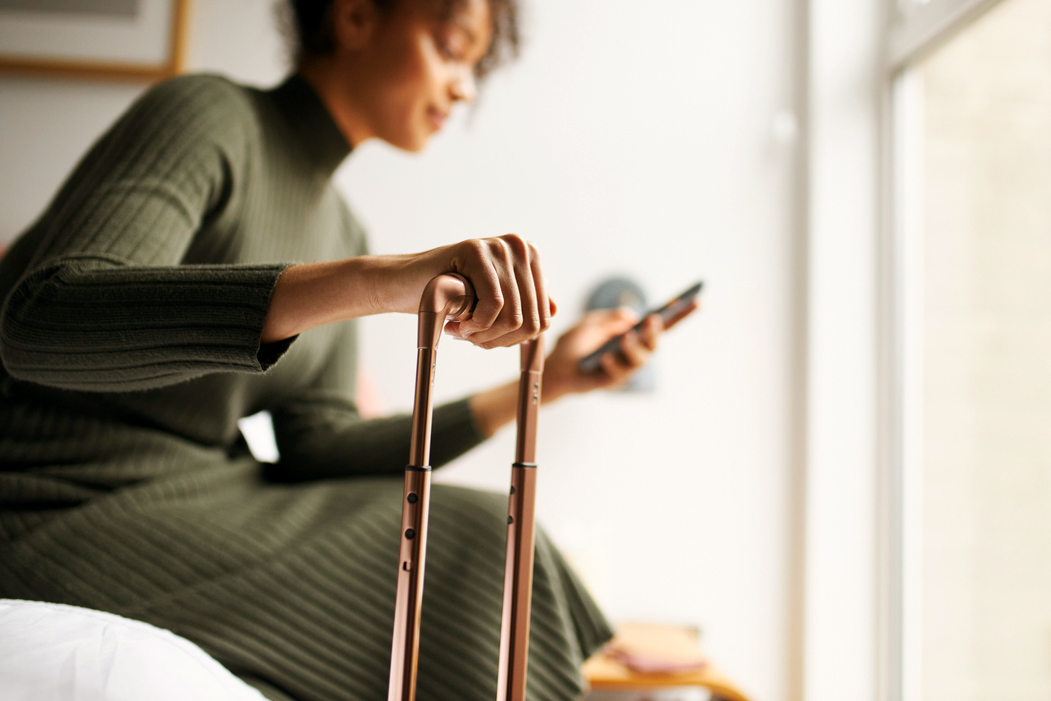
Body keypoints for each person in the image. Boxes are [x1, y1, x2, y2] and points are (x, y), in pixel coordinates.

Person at [0, 1, 690, 699]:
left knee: (492, 533)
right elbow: (41, 319)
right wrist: (381, 282)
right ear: (356, 17)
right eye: (451, 48)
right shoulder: (205, 117)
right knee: (475, 548)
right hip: (53, 500)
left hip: (206, 491)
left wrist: (547, 379)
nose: (463, 86)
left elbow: (317, 445)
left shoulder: (339, 225)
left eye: (474, 65)